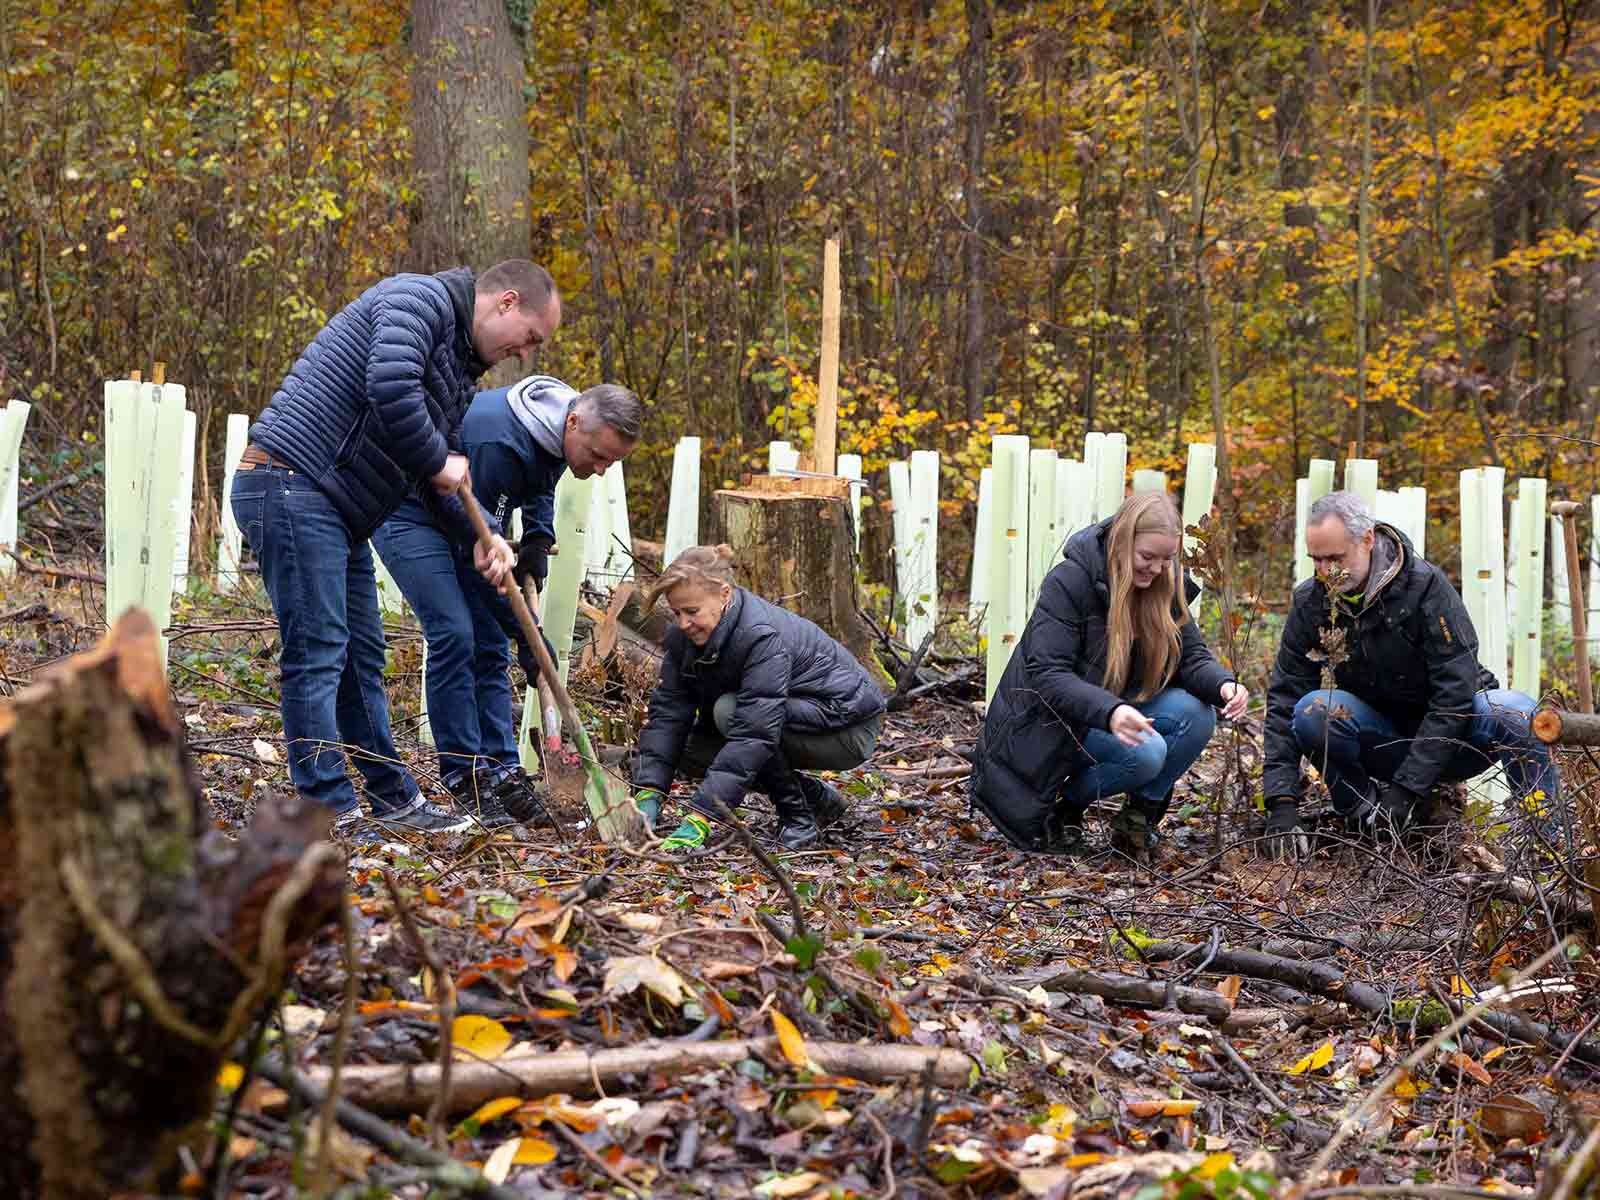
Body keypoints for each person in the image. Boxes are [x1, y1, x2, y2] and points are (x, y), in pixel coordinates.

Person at [231, 260, 561, 835]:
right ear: (506, 303)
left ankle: (393, 800)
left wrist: (479, 540)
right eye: (530, 337)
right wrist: (439, 461)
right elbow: (390, 388)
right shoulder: (417, 303)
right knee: (320, 650)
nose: (524, 353)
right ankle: (326, 810)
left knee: (362, 658)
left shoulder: (457, 373)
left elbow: (440, 483)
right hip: (289, 481)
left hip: (335, 507)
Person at [370, 377, 642, 829]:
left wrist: (537, 536)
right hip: (409, 514)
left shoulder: (558, 428)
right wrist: (529, 637)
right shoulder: (500, 442)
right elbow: (479, 557)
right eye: (598, 457)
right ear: (574, 423)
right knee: (456, 634)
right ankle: (465, 776)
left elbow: (541, 480)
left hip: (465, 524)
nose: (599, 470)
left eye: (610, 462)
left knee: (491, 643)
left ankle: (502, 771)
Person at [1261, 490, 1560, 859]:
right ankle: (1367, 820)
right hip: (1382, 739)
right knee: (1312, 710)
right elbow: (1286, 694)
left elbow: (1455, 692)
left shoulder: (1425, 588)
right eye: (1316, 560)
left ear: (1367, 540)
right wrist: (1281, 799)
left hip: (1457, 737)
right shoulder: (1311, 601)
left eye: (1335, 558)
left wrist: (1407, 788)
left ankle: (1548, 846)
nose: (1325, 571)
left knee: (1518, 712)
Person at [969, 491, 1247, 858]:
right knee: (1147, 753)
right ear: (1121, 540)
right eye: (1147, 557)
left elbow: (1191, 656)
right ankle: (1065, 810)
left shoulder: (1165, 583)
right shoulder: (1070, 581)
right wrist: (1111, 712)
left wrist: (1224, 684)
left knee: (1196, 714)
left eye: (1167, 559)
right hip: (1047, 727)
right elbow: (1049, 675)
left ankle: (1137, 820)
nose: (1158, 568)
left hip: (1108, 713)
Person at [629, 545, 886, 850]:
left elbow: (755, 732)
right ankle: (815, 797)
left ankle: (798, 817)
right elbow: (669, 714)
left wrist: (700, 816)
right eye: (676, 612)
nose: (683, 623)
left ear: (724, 594)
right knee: (690, 749)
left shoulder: (761, 635)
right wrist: (648, 792)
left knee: (730, 712)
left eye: (692, 611)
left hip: (846, 728)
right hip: (786, 718)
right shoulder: (685, 638)